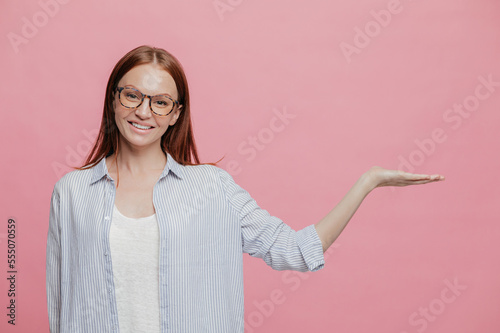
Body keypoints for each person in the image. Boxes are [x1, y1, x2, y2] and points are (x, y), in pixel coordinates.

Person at [45, 45, 445, 333]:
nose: (144, 111)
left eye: (161, 102)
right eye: (132, 95)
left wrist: (367, 182)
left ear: (176, 114)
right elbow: (60, 306)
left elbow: (296, 251)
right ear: (114, 99)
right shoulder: (72, 192)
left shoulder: (212, 189)